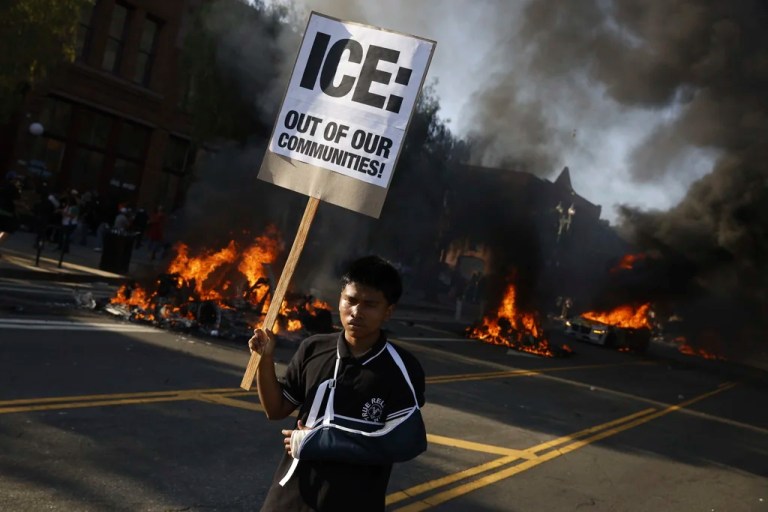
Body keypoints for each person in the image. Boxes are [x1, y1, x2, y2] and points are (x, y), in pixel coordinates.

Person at [249, 255, 427, 512]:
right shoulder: (314, 348)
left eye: (369, 304)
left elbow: (407, 441)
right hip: (291, 495)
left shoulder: (402, 368)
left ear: (388, 311)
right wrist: (265, 361)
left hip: (355, 500)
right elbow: (275, 410)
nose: (356, 312)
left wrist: (324, 441)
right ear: (340, 298)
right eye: (350, 300)